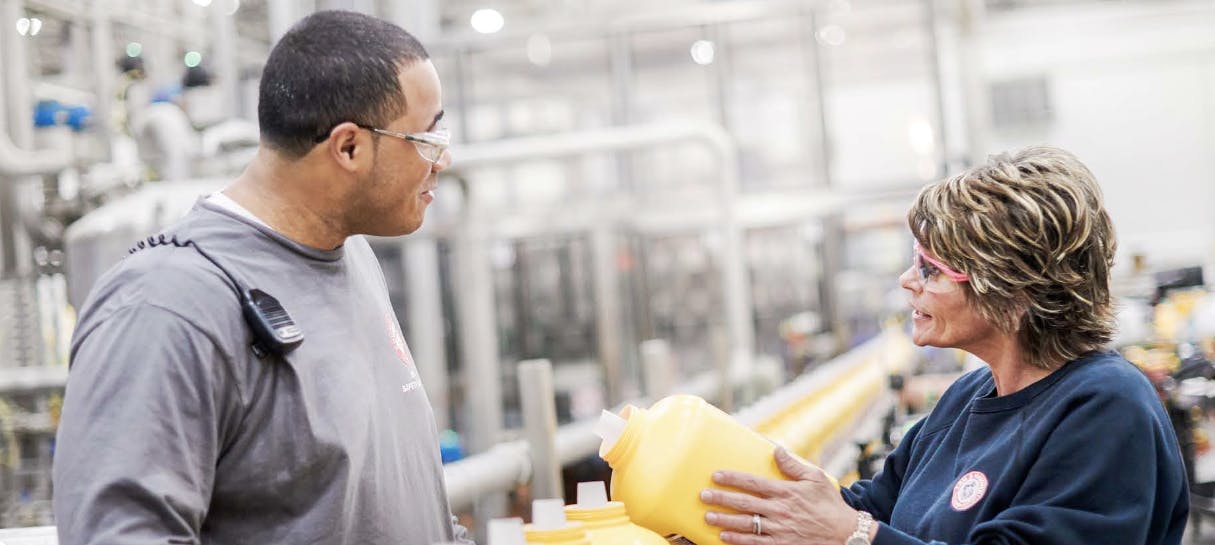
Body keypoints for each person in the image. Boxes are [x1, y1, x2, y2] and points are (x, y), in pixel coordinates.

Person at [53, 10, 467, 545]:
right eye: (427, 138)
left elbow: (396, 499)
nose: (444, 159)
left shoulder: (353, 260)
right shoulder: (168, 307)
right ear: (348, 148)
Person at [699, 146, 1189, 545]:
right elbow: (874, 505)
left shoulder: (1106, 408)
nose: (907, 280)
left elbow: (860, 529)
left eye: (931, 269)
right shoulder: (967, 397)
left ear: (1014, 289)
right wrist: (735, 509)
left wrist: (854, 537)